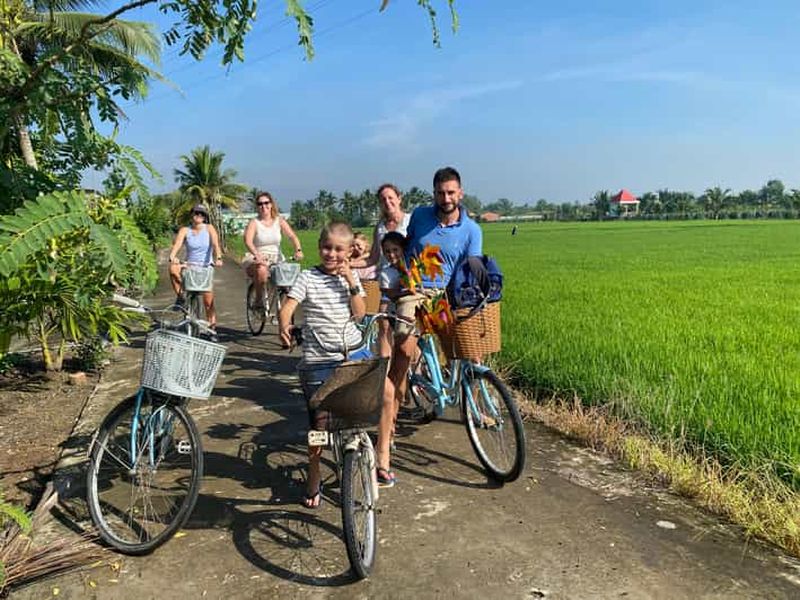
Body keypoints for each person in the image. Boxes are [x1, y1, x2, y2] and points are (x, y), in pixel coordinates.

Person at [375, 166, 483, 485]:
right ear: (433, 193)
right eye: (440, 192)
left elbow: (472, 266)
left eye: (451, 192)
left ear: (460, 193)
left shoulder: (472, 230)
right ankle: (385, 443)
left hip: (442, 299)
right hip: (413, 293)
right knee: (402, 359)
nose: (445, 198)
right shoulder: (421, 216)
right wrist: (392, 271)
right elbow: (401, 245)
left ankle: (477, 407)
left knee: (468, 351)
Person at [278, 221, 382, 506]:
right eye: (327, 247)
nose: (332, 254)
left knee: (360, 413)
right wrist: (284, 325)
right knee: (318, 426)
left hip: (353, 354)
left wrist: (351, 282)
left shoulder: (351, 279)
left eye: (339, 249)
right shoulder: (307, 278)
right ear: (319, 247)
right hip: (318, 359)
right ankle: (314, 475)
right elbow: (288, 307)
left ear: (349, 252)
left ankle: (365, 455)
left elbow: (360, 314)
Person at [350, 183, 411, 358]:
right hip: (386, 282)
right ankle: (384, 368)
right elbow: (374, 258)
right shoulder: (380, 227)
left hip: (408, 281)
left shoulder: (410, 221)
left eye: (391, 197)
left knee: (408, 330)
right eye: (383, 199)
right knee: (383, 325)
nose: (387, 202)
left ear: (399, 198)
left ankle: (416, 370)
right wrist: (350, 264)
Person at [168, 204, 224, 340]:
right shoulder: (185, 230)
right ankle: (182, 297)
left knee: (208, 301)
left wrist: (218, 258)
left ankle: (212, 328)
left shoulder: (209, 229)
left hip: (205, 266)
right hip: (189, 265)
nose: (198, 216)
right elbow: (177, 245)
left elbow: (216, 245)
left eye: (201, 213)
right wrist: (172, 256)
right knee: (173, 269)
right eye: (195, 213)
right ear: (191, 215)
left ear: (205, 217)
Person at [242, 191, 304, 308]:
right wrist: (257, 254)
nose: (263, 206)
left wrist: (298, 250)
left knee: (289, 280)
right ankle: (259, 300)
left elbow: (292, 236)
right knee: (261, 270)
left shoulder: (279, 220)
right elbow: (248, 241)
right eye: (260, 204)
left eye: (266, 203)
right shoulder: (254, 223)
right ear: (257, 207)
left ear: (271, 204)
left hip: (276, 258)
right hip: (257, 257)